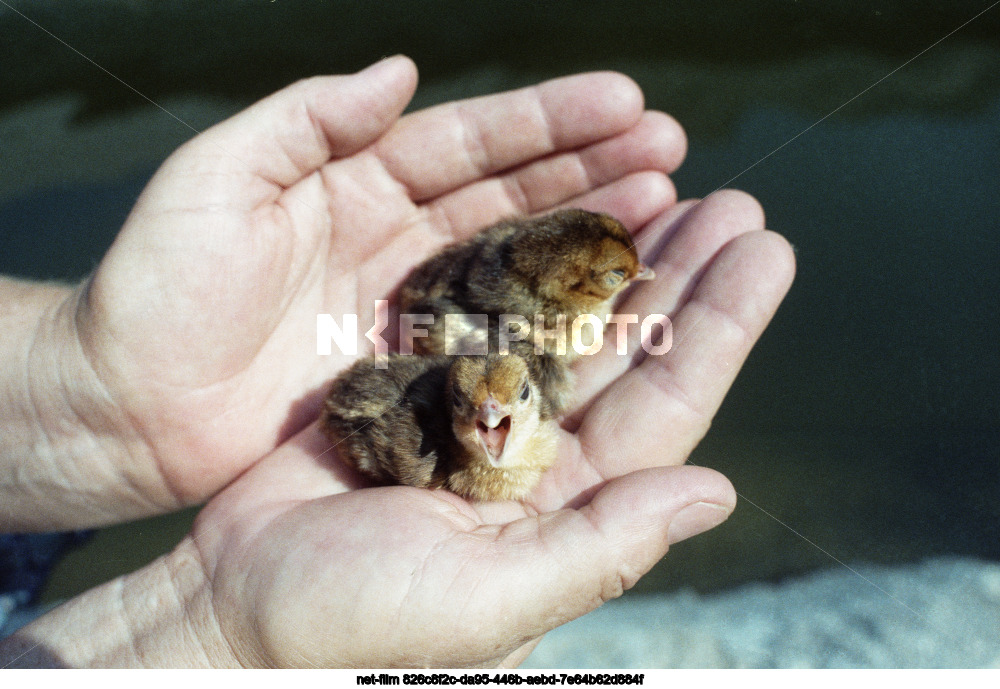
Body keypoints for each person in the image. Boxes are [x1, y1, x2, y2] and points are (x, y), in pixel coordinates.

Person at [0, 55, 794, 668]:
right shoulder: (453, 413)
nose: (636, 287)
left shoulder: (510, 346)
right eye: (619, 281)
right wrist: (211, 633)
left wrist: (72, 388)